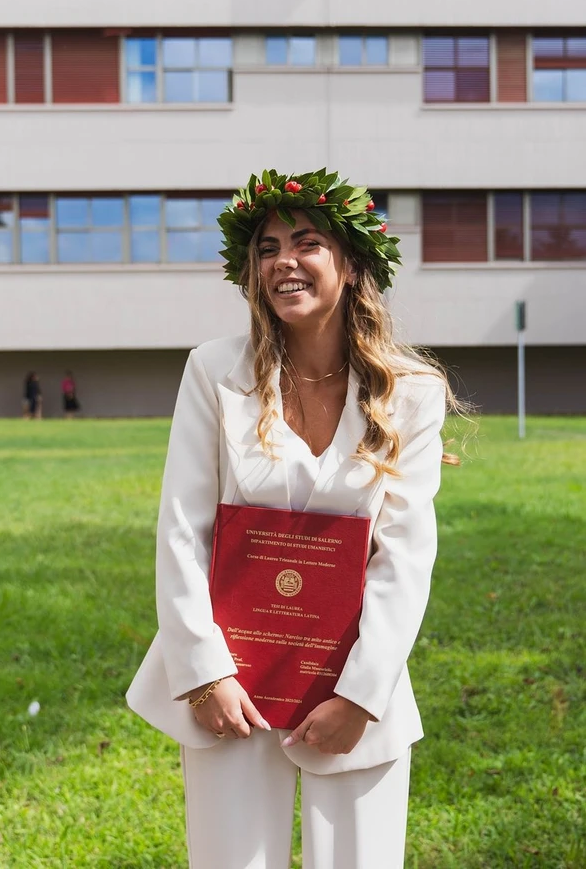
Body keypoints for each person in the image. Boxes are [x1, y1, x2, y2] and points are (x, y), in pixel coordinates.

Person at [127, 169, 466, 869]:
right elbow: (181, 529)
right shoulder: (213, 371)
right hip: (233, 678)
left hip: (350, 680)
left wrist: (360, 695)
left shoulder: (411, 393)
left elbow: (404, 554)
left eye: (305, 242)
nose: (282, 259)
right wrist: (202, 672)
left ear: (350, 263)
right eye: (265, 247)